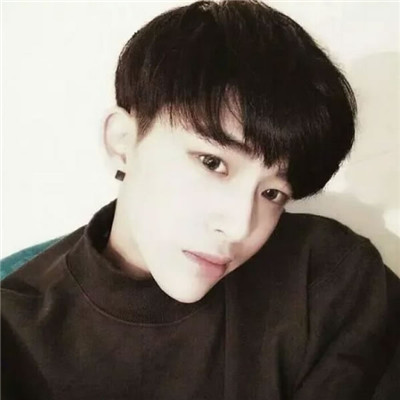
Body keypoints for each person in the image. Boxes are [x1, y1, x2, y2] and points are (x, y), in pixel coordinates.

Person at [1, 1, 399, 399]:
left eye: (272, 193)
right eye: (212, 163)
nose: (239, 227)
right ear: (122, 142)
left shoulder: (330, 280)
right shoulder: (14, 335)